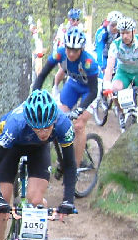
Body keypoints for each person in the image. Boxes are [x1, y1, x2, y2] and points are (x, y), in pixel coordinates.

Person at [0, 90, 77, 240]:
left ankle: (38, 226)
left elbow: (70, 165)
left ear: (54, 120)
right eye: (38, 128)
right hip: (13, 147)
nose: (44, 132)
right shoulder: (15, 123)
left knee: (36, 201)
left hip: (39, 150)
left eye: (47, 128)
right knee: (3, 202)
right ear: (29, 121)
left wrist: (68, 199)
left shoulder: (63, 124)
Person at [31, 27, 98, 171]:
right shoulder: (59, 54)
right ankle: (63, 152)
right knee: (56, 117)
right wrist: (34, 96)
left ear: (81, 49)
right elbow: (42, 76)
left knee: (79, 124)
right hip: (73, 85)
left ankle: (75, 169)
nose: (71, 53)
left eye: (75, 50)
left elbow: (93, 91)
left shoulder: (88, 62)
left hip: (90, 90)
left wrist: (80, 109)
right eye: (69, 49)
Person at [102, 16, 138, 125]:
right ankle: (120, 113)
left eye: (127, 33)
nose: (125, 36)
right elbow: (110, 67)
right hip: (124, 73)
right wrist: (106, 84)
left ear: (134, 31)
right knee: (114, 89)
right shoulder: (115, 45)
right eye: (122, 33)